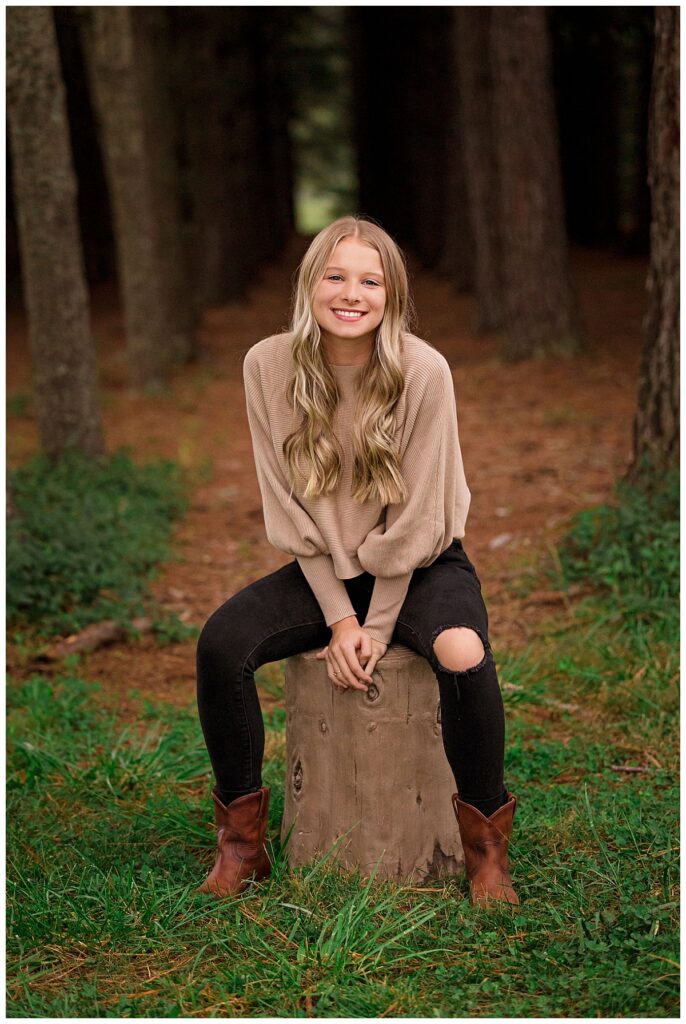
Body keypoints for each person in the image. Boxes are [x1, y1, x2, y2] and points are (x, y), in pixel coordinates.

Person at [195, 215, 519, 907]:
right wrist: (342, 619)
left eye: (370, 280)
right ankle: (242, 845)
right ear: (310, 285)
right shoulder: (268, 366)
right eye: (335, 276)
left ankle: (486, 849)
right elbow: (291, 511)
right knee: (222, 643)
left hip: (422, 562)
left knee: (462, 651)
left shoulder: (423, 371)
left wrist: (376, 627)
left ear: (391, 296)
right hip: (326, 566)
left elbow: (417, 522)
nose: (351, 293)